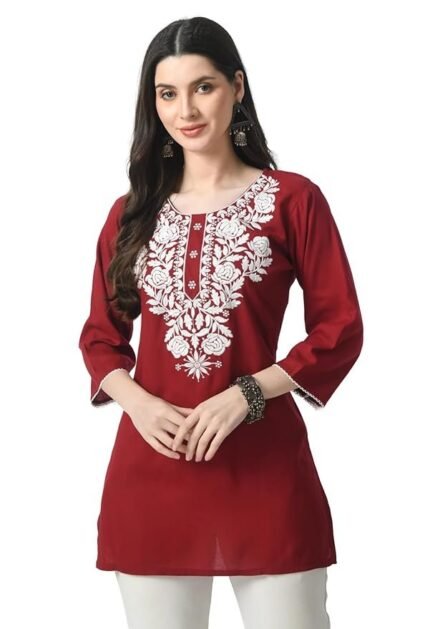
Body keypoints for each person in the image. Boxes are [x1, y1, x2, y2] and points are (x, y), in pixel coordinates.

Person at [78, 15, 363, 629]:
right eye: (167, 93)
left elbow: (339, 328)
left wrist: (248, 393)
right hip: (152, 473)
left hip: (265, 470)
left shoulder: (292, 200)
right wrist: (139, 405)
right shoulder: (131, 215)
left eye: (202, 87)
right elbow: (101, 338)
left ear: (236, 86)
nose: (185, 110)